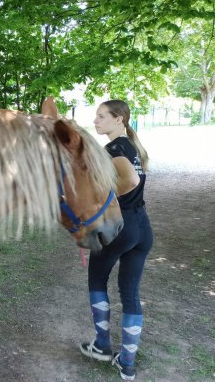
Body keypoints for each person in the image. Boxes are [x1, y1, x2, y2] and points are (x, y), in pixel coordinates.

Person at [79, 100, 153, 380]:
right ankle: (128, 364)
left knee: (97, 280)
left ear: (119, 119)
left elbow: (130, 181)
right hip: (142, 228)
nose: (95, 121)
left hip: (121, 226)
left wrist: (100, 201)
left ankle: (102, 346)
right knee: (129, 292)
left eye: (101, 117)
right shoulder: (134, 147)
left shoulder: (115, 148)